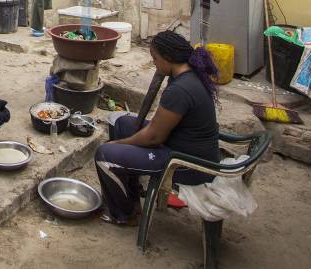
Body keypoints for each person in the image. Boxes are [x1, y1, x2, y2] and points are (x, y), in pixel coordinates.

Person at [94, 30, 220, 225]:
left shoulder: (180, 90)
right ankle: (132, 195)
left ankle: (124, 215)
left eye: (155, 58)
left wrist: (120, 144)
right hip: (184, 145)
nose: (154, 63)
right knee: (122, 123)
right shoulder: (188, 74)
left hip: (187, 164)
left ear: (168, 57)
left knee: (105, 153)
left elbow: (154, 138)